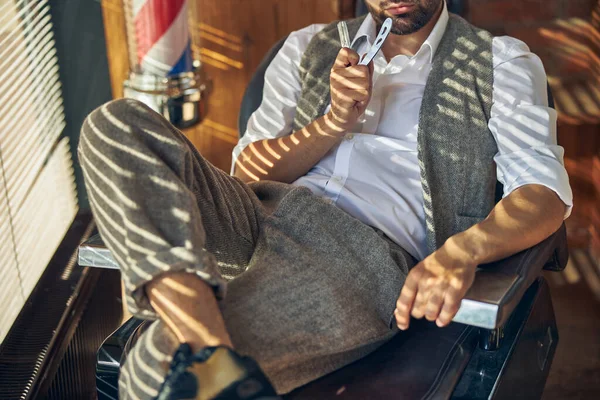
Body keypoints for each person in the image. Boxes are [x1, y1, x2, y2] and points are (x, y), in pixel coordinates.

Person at [78, 0, 572, 398]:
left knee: (153, 373)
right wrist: (334, 122)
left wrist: (463, 251)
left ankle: (202, 358)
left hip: (358, 255)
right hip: (257, 212)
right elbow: (246, 171)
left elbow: (543, 192)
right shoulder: (304, 48)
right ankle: (211, 356)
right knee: (114, 124)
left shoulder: (500, 60)